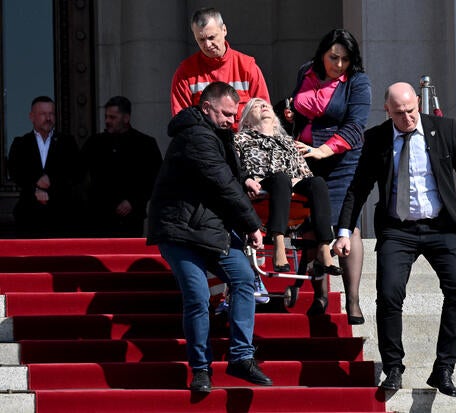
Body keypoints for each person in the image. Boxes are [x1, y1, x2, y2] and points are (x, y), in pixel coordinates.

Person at [334, 82, 456, 396]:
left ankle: (444, 368)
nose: (407, 118)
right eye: (399, 113)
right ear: (388, 111)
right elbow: (358, 188)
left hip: (442, 226)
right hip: (398, 230)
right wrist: (344, 231)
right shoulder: (378, 138)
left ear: (418, 105)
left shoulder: (444, 130)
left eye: (411, 110)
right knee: (388, 294)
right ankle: (394, 367)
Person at [146, 82, 273, 393]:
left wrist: (244, 177)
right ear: (206, 108)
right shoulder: (195, 135)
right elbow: (221, 181)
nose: (232, 120)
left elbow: (230, 172)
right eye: (226, 114)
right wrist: (253, 224)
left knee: (243, 277)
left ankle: (241, 357)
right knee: (198, 296)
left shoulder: (218, 133)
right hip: (179, 230)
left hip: (209, 228)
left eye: (234, 114)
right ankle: (201, 369)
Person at [285, 29, 371, 323]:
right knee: (312, 224)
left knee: (348, 224)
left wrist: (324, 149)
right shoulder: (305, 72)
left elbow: (355, 126)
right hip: (306, 158)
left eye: (345, 59)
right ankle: (320, 296)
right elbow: (300, 110)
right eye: (333, 57)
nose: (339, 64)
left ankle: (354, 301)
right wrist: (290, 117)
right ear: (322, 53)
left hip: (343, 159)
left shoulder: (358, 82)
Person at [235, 98, 342, 283]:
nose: (264, 106)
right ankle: (278, 242)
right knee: (280, 178)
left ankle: (324, 247)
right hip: (262, 189)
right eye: (256, 105)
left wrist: (301, 181)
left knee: (317, 182)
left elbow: (304, 172)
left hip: (293, 189)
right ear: (246, 119)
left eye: (266, 105)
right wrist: (248, 181)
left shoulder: (288, 142)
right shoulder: (239, 139)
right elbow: (237, 170)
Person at [170, 7, 270, 129]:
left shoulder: (247, 67)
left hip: (244, 144)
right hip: (204, 145)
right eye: (201, 40)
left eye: (211, 37)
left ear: (224, 30)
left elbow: (265, 116)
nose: (207, 44)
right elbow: (181, 123)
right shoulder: (185, 72)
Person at [81, 96, 162, 237]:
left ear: (126, 118)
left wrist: (134, 201)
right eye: (106, 117)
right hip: (98, 218)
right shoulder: (95, 143)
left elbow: (156, 178)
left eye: (112, 117)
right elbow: (78, 173)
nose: (107, 121)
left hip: (130, 218)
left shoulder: (145, 144)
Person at [8, 96, 81, 238]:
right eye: (43, 114)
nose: (48, 118)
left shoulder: (67, 142)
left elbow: (76, 172)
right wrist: (36, 184)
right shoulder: (21, 143)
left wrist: (51, 180)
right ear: (32, 116)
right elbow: (15, 171)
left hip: (62, 216)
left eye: (51, 114)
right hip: (29, 216)